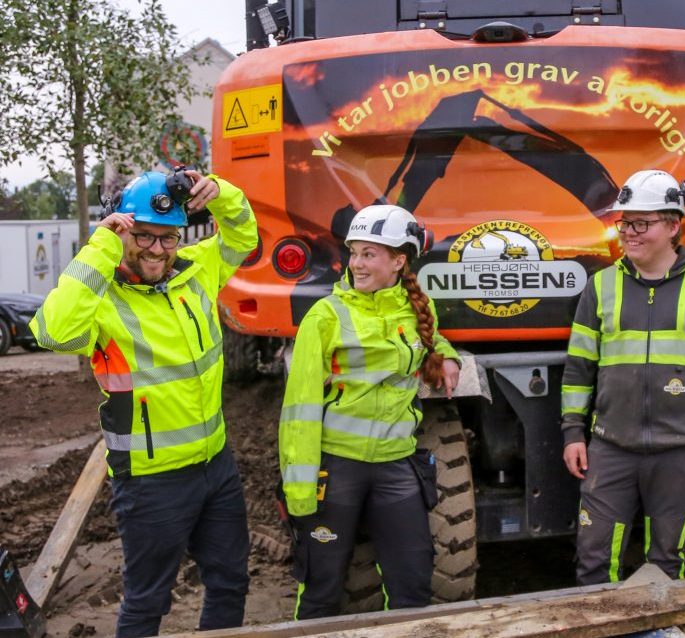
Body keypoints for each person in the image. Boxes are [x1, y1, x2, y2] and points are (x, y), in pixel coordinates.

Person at [30, 170, 257, 637]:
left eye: (168, 238)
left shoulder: (196, 271)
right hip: (151, 482)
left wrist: (222, 192)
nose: (157, 249)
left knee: (231, 582)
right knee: (148, 600)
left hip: (216, 465)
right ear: (122, 230)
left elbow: (244, 235)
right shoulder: (100, 299)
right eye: (143, 236)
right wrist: (101, 246)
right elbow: (53, 331)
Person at [561, 169, 685, 585]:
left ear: (673, 225)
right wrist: (573, 432)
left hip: (681, 449)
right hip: (611, 447)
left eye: (641, 223)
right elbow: (579, 368)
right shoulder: (600, 286)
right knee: (593, 560)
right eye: (624, 222)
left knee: (666, 562)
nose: (629, 233)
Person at [279, 204, 461, 619]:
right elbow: (299, 411)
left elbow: (431, 338)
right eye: (355, 253)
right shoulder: (325, 316)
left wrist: (448, 356)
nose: (356, 264)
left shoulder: (415, 308)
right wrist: (300, 492)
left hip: (397, 469)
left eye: (369, 254)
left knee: (413, 589)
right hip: (338, 470)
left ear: (399, 261)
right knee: (322, 591)